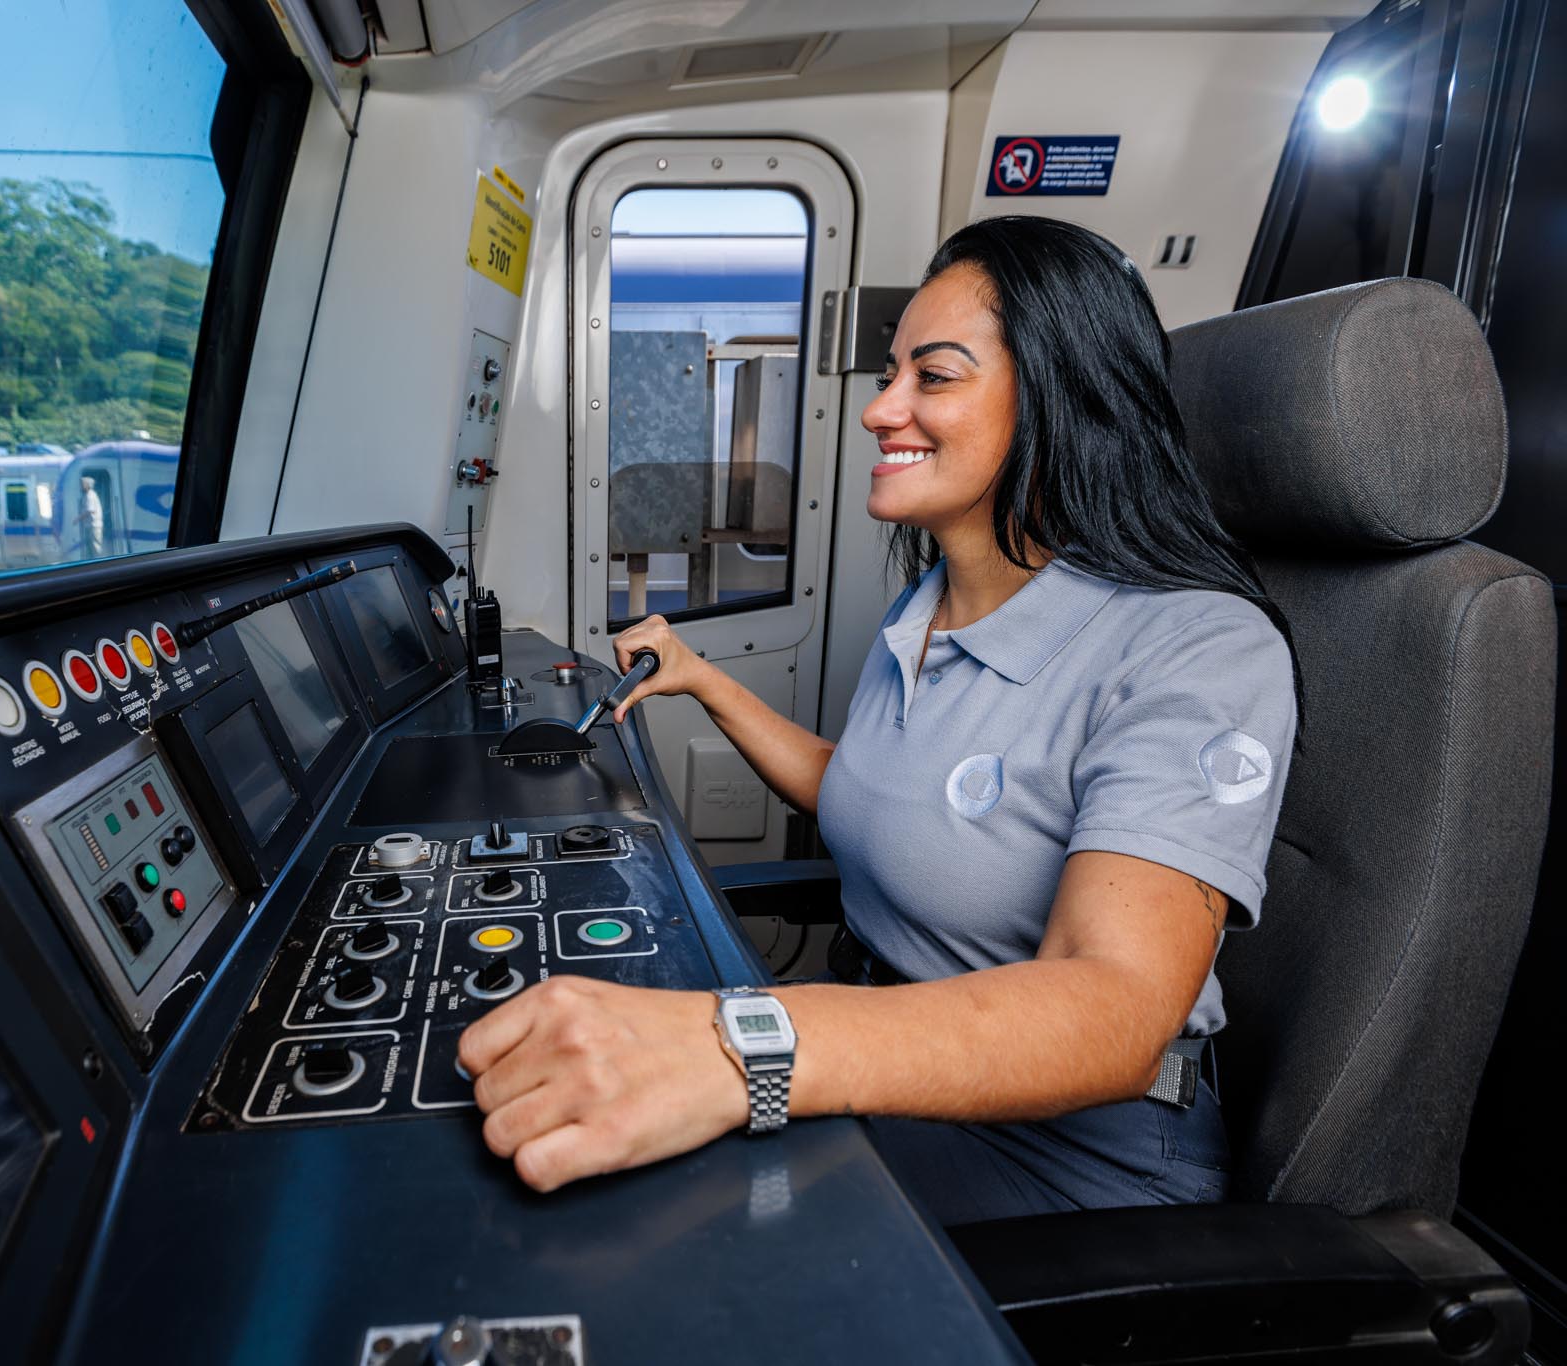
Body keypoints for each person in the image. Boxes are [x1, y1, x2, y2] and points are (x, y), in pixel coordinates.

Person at [457, 216, 1300, 1224]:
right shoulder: (929, 603)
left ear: (1063, 400)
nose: (878, 410)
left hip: (1070, 1156)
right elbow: (873, 798)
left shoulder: (1196, 645)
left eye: (931, 376)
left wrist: (737, 1041)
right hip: (890, 1055)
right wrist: (705, 680)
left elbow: (1114, 1007)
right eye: (889, 372)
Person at [79, 475, 106, 559]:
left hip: (94, 525)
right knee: (92, 546)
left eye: (83, 484)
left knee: (96, 547)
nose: (81, 485)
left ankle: (99, 564)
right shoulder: (88, 495)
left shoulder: (90, 495)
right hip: (90, 525)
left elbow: (90, 510)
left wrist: (78, 519)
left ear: (87, 485)